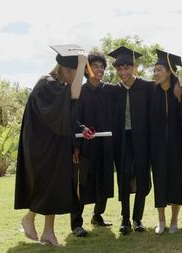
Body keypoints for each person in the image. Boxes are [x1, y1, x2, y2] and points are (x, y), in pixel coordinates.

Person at [14, 44, 87, 246]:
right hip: (40, 147)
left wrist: (80, 131)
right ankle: (29, 218)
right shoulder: (45, 84)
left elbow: (65, 115)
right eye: (76, 72)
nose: (77, 77)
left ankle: (48, 232)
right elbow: (74, 96)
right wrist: (82, 62)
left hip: (55, 145)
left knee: (55, 186)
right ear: (65, 69)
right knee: (46, 185)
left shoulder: (57, 86)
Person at [70, 52, 116, 237]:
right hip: (85, 146)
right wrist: (76, 144)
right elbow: (73, 118)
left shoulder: (109, 90)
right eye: (95, 66)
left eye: (102, 67)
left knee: (104, 181)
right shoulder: (79, 91)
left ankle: (97, 215)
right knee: (82, 184)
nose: (100, 70)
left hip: (105, 144)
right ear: (88, 69)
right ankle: (76, 224)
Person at [108, 46, 153, 235]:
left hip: (142, 138)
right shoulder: (113, 90)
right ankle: (125, 219)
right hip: (122, 139)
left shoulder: (147, 87)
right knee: (124, 177)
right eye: (119, 69)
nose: (122, 72)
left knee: (142, 176)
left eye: (126, 68)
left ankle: (137, 219)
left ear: (134, 68)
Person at [150, 49, 182, 234]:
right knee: (159, 182)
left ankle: (174, 220)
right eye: (154, 70)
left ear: (169, 72)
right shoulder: (152, 93)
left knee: (175, 182)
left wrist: (180, 98)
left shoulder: (181, 93)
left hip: (176, 148)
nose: (155, 73)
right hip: (157, 147)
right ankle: (161, 221)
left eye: (159, 69)